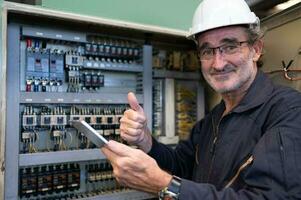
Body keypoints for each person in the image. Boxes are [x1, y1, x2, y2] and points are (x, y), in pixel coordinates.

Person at [101, 0, 301, 199]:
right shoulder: (213, 119)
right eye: (207, 51)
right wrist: (146, 141)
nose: (218, 63)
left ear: (255, 49)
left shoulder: (288, 111)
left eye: (230, 46)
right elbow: (180, 166)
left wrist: (164, 185)